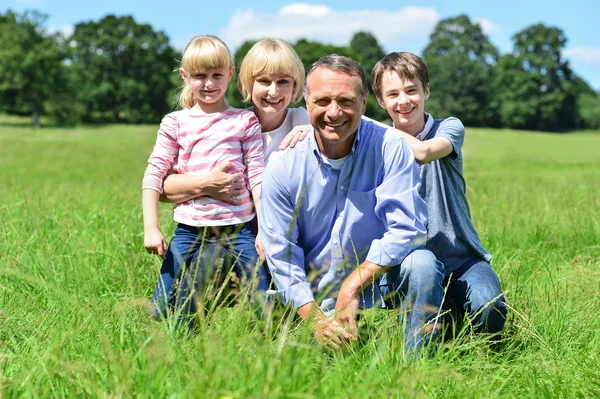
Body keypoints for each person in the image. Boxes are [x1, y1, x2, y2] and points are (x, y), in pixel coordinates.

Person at [259, 54, 444, 353]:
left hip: (378, 288)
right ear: (306, 103)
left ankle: (417, 368)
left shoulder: (391, 148)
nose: (334, 112)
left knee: (422, 263)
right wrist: (316, 320)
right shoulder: (283, 166)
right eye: (322, 101)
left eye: (345, 101)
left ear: (363, 102)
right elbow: (281, 254)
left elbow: (409, 229)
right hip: (311, 296)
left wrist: (354, 284)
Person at [370, 52, 506, 337]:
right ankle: (428, 327)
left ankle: (457, 316)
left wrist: (364, 122)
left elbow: (422, 152)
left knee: (489, 306)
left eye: (411, 91)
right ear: (381, 101)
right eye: (392, 94)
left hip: (463, 260)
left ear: (426, 91)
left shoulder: (449, 127)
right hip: (408, 261)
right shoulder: (374, 144)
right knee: (421, 272)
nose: (403, 101)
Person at [141, 35, 269, 321]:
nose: (209, 84)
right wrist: (151, 228)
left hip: (239, 230)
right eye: (200, 76)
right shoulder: (175, 123)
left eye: (216, 75)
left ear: (230, 74)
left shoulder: (244, 121)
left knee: (265, 304)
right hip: (190, 231)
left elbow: (257, 176)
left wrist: (264, 229)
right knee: (162, 310)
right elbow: (154, 175)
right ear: (185, 76)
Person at [159, 38, 309, 206]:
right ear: (249, 83)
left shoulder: (300, 120)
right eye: (264, 81)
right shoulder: (234, 124)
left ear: (295, 85)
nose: (273, 92)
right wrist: (206, 185)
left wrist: (315, 132)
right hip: (239, 225)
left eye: (283, 82)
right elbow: (162, 188)